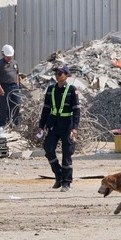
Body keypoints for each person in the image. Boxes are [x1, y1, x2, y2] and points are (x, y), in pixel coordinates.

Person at [37, 64, 80, 192]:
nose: (57, 75)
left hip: (67, 125)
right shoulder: (50, 89)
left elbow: (77, 111)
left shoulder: (72, 90)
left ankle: (66, 182)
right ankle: (59, 175)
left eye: (60, 73)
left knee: (67, 154)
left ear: (66, 75)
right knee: (48, 149)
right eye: (55, 73)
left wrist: (75, 127)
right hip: (53, 124)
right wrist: (41, 126)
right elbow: (46, 109)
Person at [0, 44, 22, 132]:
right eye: (8, 57)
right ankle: (2, 125)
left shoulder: (15, 63)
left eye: (11, 56)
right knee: (4, 107)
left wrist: (18, 85)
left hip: (14, 87)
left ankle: (15, 124)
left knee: (16, 104)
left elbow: (17, 74)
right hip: (4, 86)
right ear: (3, 55)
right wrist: (0, 89)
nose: (10, 58)